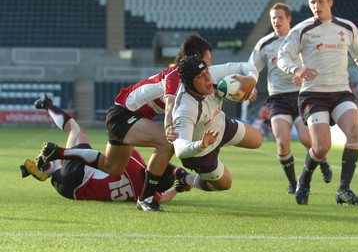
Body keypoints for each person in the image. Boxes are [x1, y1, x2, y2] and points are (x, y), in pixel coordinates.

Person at [35, 34, 257, 212]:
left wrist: (247, 85)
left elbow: (225, 80)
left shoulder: (195, 78)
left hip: (122, 112)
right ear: (195, 59)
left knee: (112, 167)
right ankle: (146, 198)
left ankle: (59, 153)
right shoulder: (175, 76)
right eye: (207, 61)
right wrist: (170, 128)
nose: (210, 66)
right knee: (167, 142)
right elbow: (171, 104)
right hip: (123, 114)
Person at [277, 0, 358, 205]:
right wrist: (297, 69)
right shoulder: (301, 30)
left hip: (341, 91)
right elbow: (283, 57)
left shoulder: (347, 27)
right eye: (312, 2)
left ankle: (344, 189)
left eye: (320, 1)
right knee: (322, 146)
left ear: (330, 2)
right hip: (313, 94)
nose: (316, 6)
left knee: (354, 132)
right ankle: (304, 179)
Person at [20, 95, 191, 203]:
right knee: (66, 162)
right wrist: (176, 188)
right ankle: (48, 168)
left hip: (77, 175)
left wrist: (176, 170)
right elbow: (165, 198)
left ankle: (47, 104)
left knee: (75, 130)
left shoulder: (134, 163)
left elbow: (115, 149)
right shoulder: (148, 195)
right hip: (69, 192)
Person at [248, 2, 332, 195]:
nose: (276, 21)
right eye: (273, 18)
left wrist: (302, 74)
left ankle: (323, 161)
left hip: (301, 96)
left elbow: (317, 61)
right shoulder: (265, 44)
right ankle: (293, 183)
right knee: (282, 142)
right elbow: (251, 68)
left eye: (279, 17)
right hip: (277, 98)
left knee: (305, 138)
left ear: (288, 19)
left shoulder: (301, 38)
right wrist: (249, 85)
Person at [171, 55, 263, 192]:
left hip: (221, 125)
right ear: (189, 83)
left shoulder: (213, 74)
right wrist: (201, 144)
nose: (208, 78)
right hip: (201, 151)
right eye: (200, 76)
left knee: (258, 140)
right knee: (225, 185)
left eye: (206, 71)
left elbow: (245, 65)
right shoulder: (185, 109)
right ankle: (184, 178)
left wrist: (250, 79)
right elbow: (180, 149)